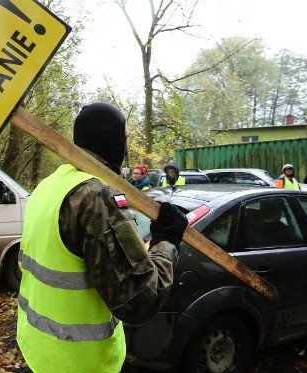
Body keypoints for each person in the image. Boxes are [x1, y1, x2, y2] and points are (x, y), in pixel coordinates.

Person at [16, 102, 188, 373]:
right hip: (81, 363)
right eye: (126, 138)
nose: (126, 146)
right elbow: (140, 300)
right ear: (112, 139)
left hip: (38, 349)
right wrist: (166, 241)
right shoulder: (95, 197)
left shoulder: (48, 186)